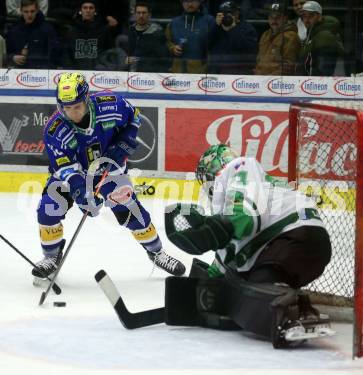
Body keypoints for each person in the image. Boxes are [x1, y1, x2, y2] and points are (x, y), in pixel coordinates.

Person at [163, 144, 333, 347]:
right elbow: (223, 264)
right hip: (290, 247)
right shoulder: (229, 206)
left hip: (295, 235)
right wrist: (198, 290)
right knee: (245, 284)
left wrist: (212, 232)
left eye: (206, 178)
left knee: (248, 294)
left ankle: (290, 313)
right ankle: (298, 308)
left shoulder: (239, 167)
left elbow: (247, 216)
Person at [32, 72, 186, 283]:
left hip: (109, 169)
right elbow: (64, 165)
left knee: (131, 210)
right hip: (73, 176)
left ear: (86, 99)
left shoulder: (109, 104)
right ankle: (51, 256)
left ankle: (156, 252)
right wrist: (80, 191)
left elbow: (134, 116)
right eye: (66, 108)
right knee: (49, 207)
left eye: (76, 107)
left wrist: (123, 142)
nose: (72, 113)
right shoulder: (55, 128)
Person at [62, 0, 118, 70]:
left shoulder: (103, 31)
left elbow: (110, 52)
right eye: (85, 8)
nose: (88, 11)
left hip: (99, 72)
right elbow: (66, 54)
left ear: (95, 12)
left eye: (91, 8)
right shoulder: (71, 31)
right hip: (75, 71)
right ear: (80, 11)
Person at [5, 0, 60, 69]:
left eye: (32, 11)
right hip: (18, 73)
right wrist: (12, 58)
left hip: (42, 73)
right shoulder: (14, 31)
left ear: (37, 10)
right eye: (26, 12)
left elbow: (54, 56)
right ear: (21, 11)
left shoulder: (48, 30)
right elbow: (6, 55)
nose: (29, 15)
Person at [208, 1, 257, 75]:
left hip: (240, 73)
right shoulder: (217, 27)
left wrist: (232, 29)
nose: (228, 15)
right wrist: (216, 26)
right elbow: (207, 45)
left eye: (231, 13)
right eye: (225, 13)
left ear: (237, 12)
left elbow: (249, 49)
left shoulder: (248, 28)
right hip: (218, 72)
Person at [165, 0, 215, 74]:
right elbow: (167, 41)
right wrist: (172, 48)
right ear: (182, 3)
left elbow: (215, 44)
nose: (190, 4)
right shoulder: (174, 22)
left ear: (199, 2)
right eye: (186, 1)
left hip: (201, 72)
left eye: (193, 1)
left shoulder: (209, 21)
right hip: (177, 71)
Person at [298, 1, 345, 76]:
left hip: (320, 85)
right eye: (304, 16)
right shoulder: (312, 33)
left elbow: (324, 72)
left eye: (311, 15)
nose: (306, 20)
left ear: (319, 17)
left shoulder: (325, 36)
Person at [255, 2, 300, 75]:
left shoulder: (290, 37)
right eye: (271, 17)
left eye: (278, 17)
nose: (274, 20)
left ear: (285, 18)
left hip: (278, 83)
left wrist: (267, 79)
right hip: (261, 80)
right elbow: (258, 61)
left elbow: (288, 67)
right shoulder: (265, 35)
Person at [126, 1, 170, 72]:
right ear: (134, 15)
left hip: (148, 75)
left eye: (144, 13)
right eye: (138, 13)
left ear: (149, 15)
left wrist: (138, 60)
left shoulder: (158, 35)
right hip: (126, 75)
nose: (141, 16)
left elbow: (161, 59)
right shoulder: (129, 32)